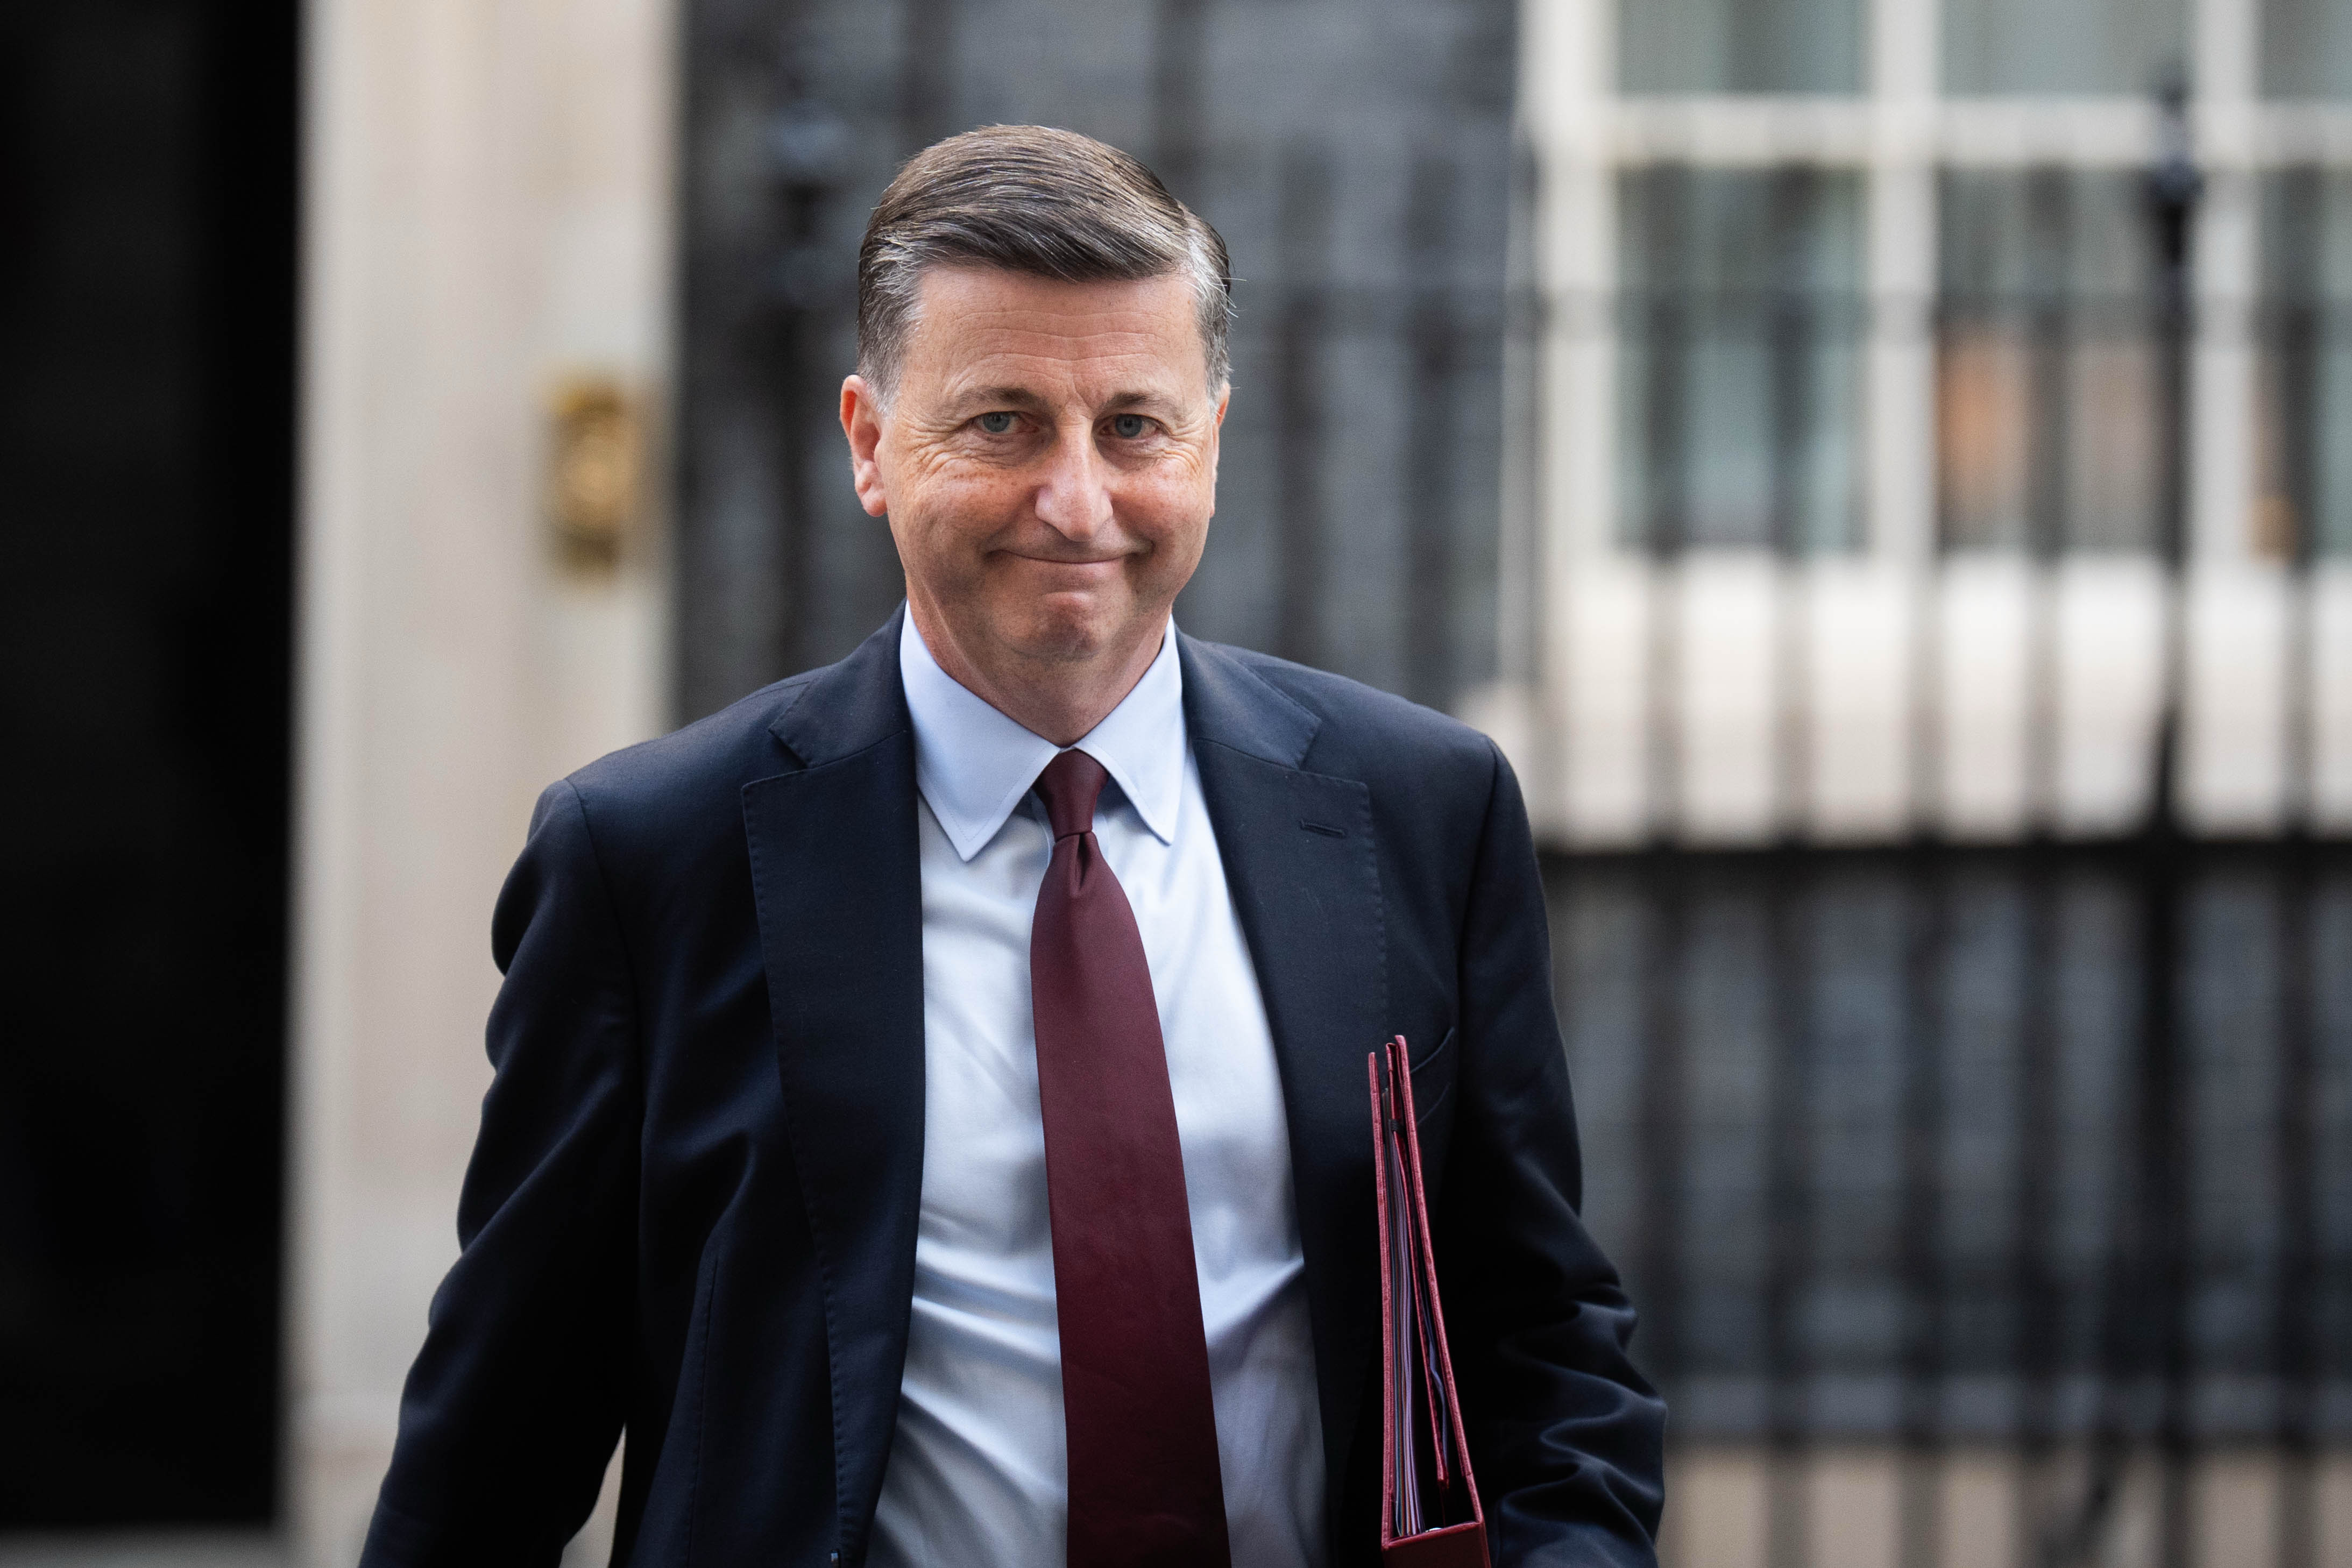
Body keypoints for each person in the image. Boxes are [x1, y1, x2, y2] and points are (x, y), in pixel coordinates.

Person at [359, 124, 1663, 1568]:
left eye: (1132, 426)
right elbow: (501, 1431)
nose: (1077, 502)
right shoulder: (646, 859)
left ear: (1211, 439)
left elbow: (1540, 1333)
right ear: (868, 442)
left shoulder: (1420, 810)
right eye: (1000, 423)